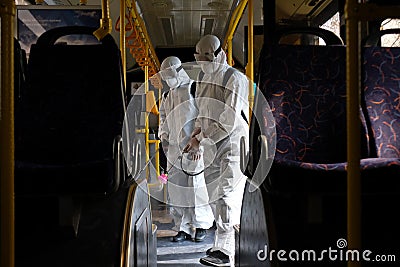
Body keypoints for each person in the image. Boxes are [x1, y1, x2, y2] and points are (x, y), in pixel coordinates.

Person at [184, 35, 249, 266]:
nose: (204, 62)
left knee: (226, 196)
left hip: (232, 143)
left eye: (208, 57)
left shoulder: (235, 78)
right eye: (199, 58)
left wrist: (200, 138)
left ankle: (226, 252)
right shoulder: (201, 77)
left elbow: (228, 119)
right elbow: (202, 110)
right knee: (213, 194)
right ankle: (223, 245)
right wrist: (196, 133)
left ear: (219, 53)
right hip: (210, 143)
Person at [158, 56, 214, 243]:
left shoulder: (194, 88)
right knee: (177, 189)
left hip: (192, 147)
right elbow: (164, 118)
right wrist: (163, 137)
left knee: (196, 187)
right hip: (174, 148)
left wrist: (198, 143)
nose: (167, 78)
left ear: (178, 70)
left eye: (169, 74)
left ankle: (201, 225)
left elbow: (203, 116)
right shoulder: (167, 94)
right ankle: (182, 226)